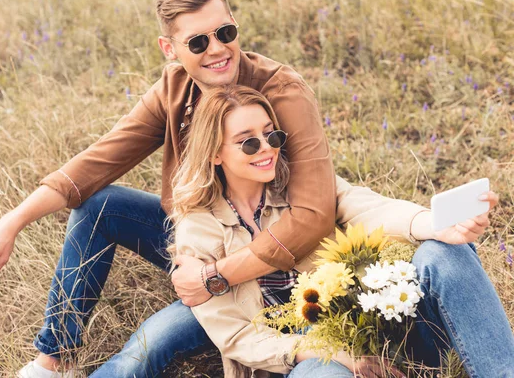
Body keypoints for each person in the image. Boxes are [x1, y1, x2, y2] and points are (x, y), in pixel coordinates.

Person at [0, 0, 510, 377]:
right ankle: (51, 357)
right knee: (105, 218)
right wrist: (8, 224)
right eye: (197, 41)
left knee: (164, 340)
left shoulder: (282, 91)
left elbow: (325, 209)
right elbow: (93, 166)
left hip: (280, 259)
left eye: (225, 32)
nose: (217, 48)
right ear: (171, 49)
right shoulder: (174, 93)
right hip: (207, 236)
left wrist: (218, 277)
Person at [167, 85, 514, 378]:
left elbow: (369, 207)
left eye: (271, 134)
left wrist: (435, 224)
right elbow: (237, 335)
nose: (268, 147)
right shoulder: (197, 228)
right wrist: (333, 352)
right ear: (214, 153)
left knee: (442, 251)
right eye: (248, 142)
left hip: (372, 320)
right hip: (302, 353)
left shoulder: (301, 183)